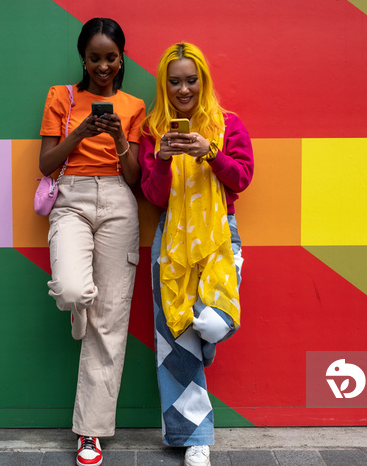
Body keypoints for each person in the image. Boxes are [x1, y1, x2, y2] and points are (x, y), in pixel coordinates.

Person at [138, 42, 254, 466]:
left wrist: (211, 152)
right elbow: (152, 195)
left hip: (221, 234)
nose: (183, 89)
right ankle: (194, 439)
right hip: (171, 242)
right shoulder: (153, 129)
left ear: (203, 80)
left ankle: (210, 341)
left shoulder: (228, 124)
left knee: (209, 322)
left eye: (191, 80)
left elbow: (241, 178)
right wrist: (164, 159)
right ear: (163, 85)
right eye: (174, 82)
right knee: (176, 343)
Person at [39, 17, 145, 466]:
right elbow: (45, 164)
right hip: (73, 199)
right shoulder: (62, 97)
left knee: (109, 326)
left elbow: (136, 179)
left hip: (120, 201)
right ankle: (81, 303)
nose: (103, 66)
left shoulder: (135, 105)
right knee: (70, 290)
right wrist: (80, 133)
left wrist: (121, 138)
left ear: (122, 58)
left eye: (111, 57)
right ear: (83, 57)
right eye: (94, 57)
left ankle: (90, 433)